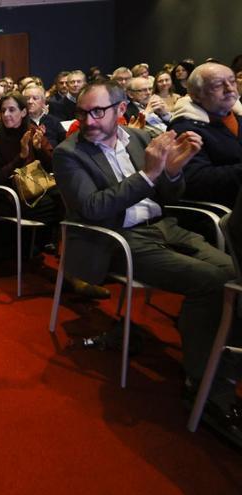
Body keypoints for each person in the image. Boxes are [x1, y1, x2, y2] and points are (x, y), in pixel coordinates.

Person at [53, 81, 241, 434]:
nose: (88, 121)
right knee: (214, 283)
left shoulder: (140, 140)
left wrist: (173, 171)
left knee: (236, 273)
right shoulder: (69, 153)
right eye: (82, 112)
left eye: (97, 111)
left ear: (121, 110)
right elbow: (93, 208)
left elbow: (169, 195)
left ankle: (211, 347)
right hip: (117, 240)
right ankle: (204, 386)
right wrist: (149, 174)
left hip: (163, 226)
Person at [0, 93, 64, 253]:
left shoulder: (33, 131)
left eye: (12, 110)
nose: (6, 115)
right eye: (3, 110)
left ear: (23, 112)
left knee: (67, 197)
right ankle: (52, 245)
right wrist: (20, 157)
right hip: (11, 196)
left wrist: (39, 149)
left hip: (39, 188)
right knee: (59, 206)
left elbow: (53, 167)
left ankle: (59, 246)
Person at [168, 62, 242, 207]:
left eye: (232, 81)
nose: (230, 89)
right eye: (217, 85)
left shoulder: (237, 117)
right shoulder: (184, 129)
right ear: (195, 95)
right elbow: (196, 181)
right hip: (228, 209)